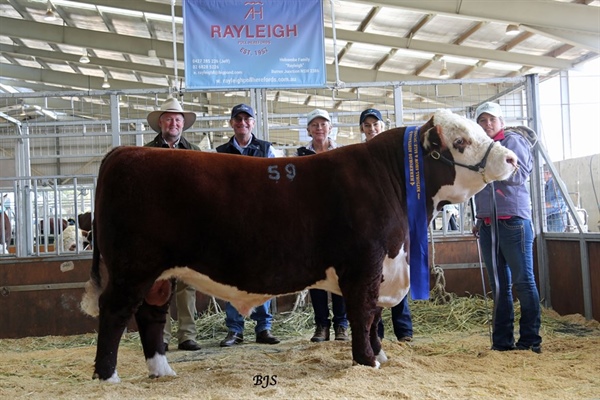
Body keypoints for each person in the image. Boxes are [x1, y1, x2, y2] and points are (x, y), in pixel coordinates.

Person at [472, 102, 542, 353]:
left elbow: (519, 175)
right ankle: (502, 342)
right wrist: (478, 216)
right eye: (482, 120)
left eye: (492, 119)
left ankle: (530, 340)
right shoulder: (481, 147)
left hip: (513, 220)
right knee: (499, 285)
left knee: (524, 282)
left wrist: (487, 170)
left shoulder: (511, 141)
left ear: (501, 121)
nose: (488, 124)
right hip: (488, 222)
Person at [215, 103, 280, 346]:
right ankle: (235, 329)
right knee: (232, 275)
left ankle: (264, 327)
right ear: (231, 123)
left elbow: (277, 185)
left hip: (261, 222)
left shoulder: (267, 149)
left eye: (247, 119)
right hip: (230, 223)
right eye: (238, 119)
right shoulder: (220, 152)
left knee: (262, 274)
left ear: (253, 122)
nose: (242, 123)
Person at [145, 96, 202, 352]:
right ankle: (162, 336)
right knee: (160, 283)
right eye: (169, 119)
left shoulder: (195, 152)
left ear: (183, 124)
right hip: (158, 228)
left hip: (188, 227)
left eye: (178, 119)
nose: (173, 123)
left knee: (187, 283)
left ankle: (187, 335)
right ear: (161, 123)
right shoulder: (148, 152)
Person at [359, 108, 413, 342]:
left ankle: (404, 330)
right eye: (367, 125)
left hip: (395, 223)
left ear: (383, 125)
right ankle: (375, 332)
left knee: (399, 272)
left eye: (376, 124)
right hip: (369, 226)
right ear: (362, 129)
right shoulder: (358, 155)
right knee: (373, 278)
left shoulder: (396, 153)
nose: (372, 129)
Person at [297, 108, 349, 342]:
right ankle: (321, 325)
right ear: (308, 129)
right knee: (316, 276)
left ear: (330, 128)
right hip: (311, 224)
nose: (319, 128)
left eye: (323, 124)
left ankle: (341, 324)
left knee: (340, 275)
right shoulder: (299, 155)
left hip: (339, 221)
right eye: (314, 125)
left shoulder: (343, 153)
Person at [543, 165, 568, 232]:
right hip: (549, 217)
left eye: (542, 173)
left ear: (548, 173)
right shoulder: (547, 185)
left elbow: (561, 201)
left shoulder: (556, 183)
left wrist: (545, 205)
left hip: (557, 217)